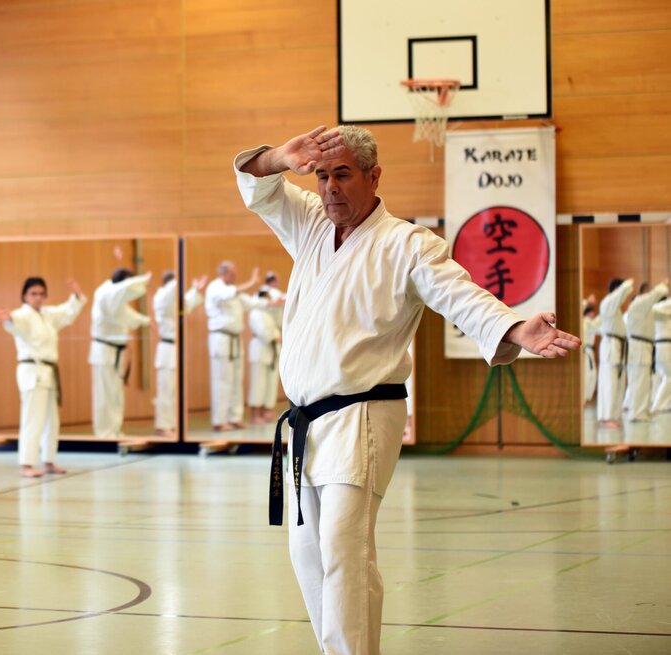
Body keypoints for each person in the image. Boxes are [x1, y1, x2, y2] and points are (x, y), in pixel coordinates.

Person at [236, 124, 579, 655]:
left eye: (343, 175)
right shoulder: (307, 224)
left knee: (343, 552)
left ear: (374, 176)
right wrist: (281, 156)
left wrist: (512, 328)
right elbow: (258, 184)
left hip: (362, 417)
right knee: (308, 555)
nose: (329, 187)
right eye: (322, 175)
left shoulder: (408, 244)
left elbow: (460, 295)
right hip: (305, 423)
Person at [0, 277, 86, 477]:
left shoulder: (47, 315)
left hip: (49, 372)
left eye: (41, 294)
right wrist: (9, 319)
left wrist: (76, 295)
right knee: (32, 417)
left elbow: (67, 312)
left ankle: (48, 461)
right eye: (33, 294)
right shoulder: (22, 315)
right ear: (25, 296)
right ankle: (26, 464)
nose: (38, 298)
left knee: (52, 420)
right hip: (32, 371)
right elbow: (14, 323)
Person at [88, 268, 152, 438]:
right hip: (104, 351)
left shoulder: (115, 299)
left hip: (116, 352)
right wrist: (143, 280)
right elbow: (124, 289)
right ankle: (104, 433)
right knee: (104, 395)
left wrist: (146, 321)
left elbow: (127, 316)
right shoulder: (105, 292)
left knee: (116, 394)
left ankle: (114, 429)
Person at [204, 261, 262, 431]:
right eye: (232, 273)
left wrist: (276, 301)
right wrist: (251, 282)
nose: (235, 276)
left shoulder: (235, 292)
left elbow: (252, 302)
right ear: (223, 273)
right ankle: (219, 421)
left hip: (235, 340)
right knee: (222, 380)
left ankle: (234, 417)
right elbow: (229, 294)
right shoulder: (215, 287)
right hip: (221, 339)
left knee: (237, 380)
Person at [151, 272, 206, 437]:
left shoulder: (173, 302)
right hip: (166, 348)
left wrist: (195, 290)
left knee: (174, 390)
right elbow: (173, 293)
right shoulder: (162, 297)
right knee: (166, 389)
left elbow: (187, 303)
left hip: (175, 349)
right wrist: (180, 273)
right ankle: (162, 425)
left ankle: (172, 424)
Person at [623, 281, 667, 422]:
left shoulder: (646, 309)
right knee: (638, 381)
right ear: (645, 292)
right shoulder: (639, 303)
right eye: (650, 291)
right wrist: (664, 284)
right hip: (638, 346)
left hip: (644, 347)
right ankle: (636, 413)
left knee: (643, 381)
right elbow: (657, 294)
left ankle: (641, 411)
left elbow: (663, 312)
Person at [598, 278, 635, 427]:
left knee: (618, 383)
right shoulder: (608, 303)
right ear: (616, 290)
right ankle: (606, 418)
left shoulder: (615, 309)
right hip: (610, 346)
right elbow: (622, 293)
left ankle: (613, 415)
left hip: (618, 346)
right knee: (609, 383)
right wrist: (628, 284)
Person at [247, 289, 283, 424]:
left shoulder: (269, 314)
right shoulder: (255, 313)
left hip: (271, 350)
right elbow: (262, 331)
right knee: (258, 384)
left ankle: (264, 410)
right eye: (267, 299)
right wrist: (275, 337)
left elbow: (276, 327)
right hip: (260, 349)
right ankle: (255, 414)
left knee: (269, 384)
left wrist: (277, 336)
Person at [651, 294, 671, 416]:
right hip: (663, 345)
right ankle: (658, 405)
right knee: (669, 376)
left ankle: (664, 404)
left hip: (663, 345)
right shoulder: (658, 308)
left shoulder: (663, 313)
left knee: (665, 376)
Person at [582, 296, 599, 405]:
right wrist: (587, 301)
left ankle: (586, 399)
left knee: (592, 376)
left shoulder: (590, 323)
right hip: (585, 352)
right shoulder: (586, 321)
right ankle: (583, 399)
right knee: (588, 376)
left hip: (590, 352)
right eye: (592, 313)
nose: (593, 316)